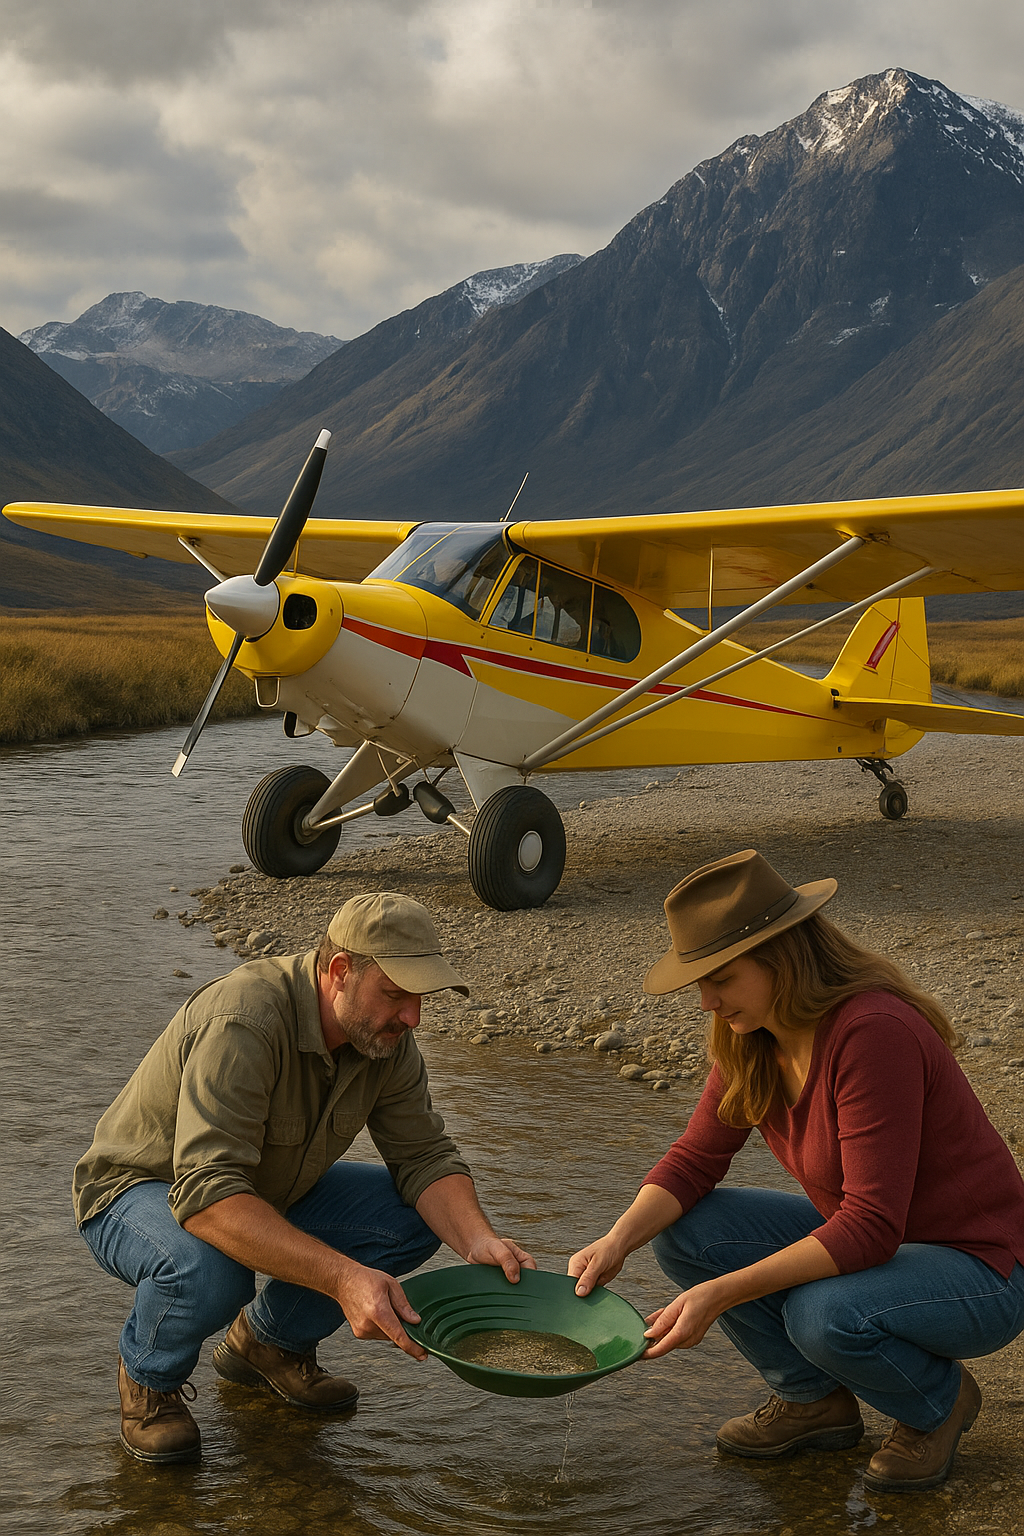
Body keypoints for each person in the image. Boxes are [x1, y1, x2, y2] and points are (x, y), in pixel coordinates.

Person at [569, 849, 1024, 1493]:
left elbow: (869, 1228)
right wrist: (616, 1240)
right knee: (686, 1231)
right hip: (884, 1243)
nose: (705, 1001)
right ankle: (813, 1402)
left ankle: (936, 1402)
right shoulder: (751, 1036)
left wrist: (720, 1292)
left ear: (780, 953)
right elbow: (695, 1160)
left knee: (822, 1314)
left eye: (720, 977)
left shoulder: (873, 1033)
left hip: (981, 1267)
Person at [74, 891, 534, 1465]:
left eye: (419, 997)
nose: (413, 1016)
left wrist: (477, 1242)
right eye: (395, 994)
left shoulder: (386, 1038)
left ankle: (268, 1345)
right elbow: (206, 1195)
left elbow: (425, 1156)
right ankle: (149, 1379)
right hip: (138, 1190)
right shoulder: (244, 1019)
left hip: (261, 1189)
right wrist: (344, 1280)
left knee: (410, 1221)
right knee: (211, 1270)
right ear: (339, 971)